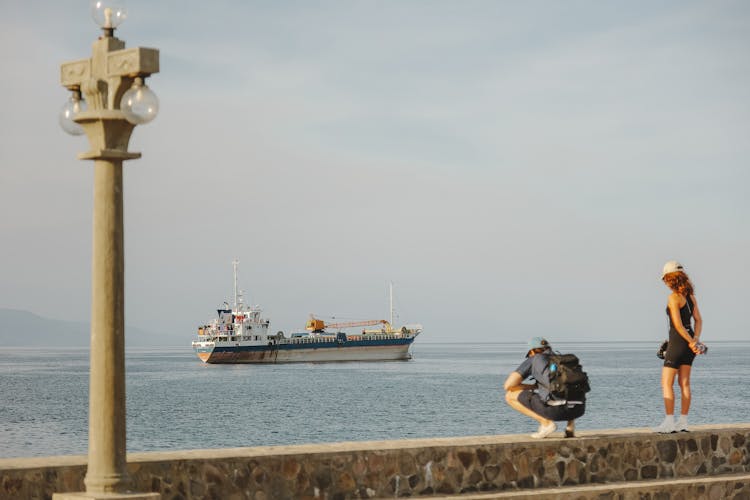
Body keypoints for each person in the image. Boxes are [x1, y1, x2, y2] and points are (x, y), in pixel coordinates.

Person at [653, 260, 704, 433]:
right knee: (685, 384)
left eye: (665, 279)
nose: (665, 283)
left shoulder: (673, 297)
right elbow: (698, 320)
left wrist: (691, 342)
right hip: (689, 347)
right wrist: (695, 340)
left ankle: (669, 422)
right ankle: (683, 421)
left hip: (677, 344)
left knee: (666, 383)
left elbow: (678, 325)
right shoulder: (691, 297)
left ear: (670, 279)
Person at [504, 337, 585, 439]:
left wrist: (532, 386)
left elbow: (508, 385)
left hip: (556, 412)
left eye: (530, 354)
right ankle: (570, 427)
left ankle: (546, 424)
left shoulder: (534, 359)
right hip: (578, 410)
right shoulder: (564, 360)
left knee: (509, 395)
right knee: (568, 389)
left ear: (533, 351)